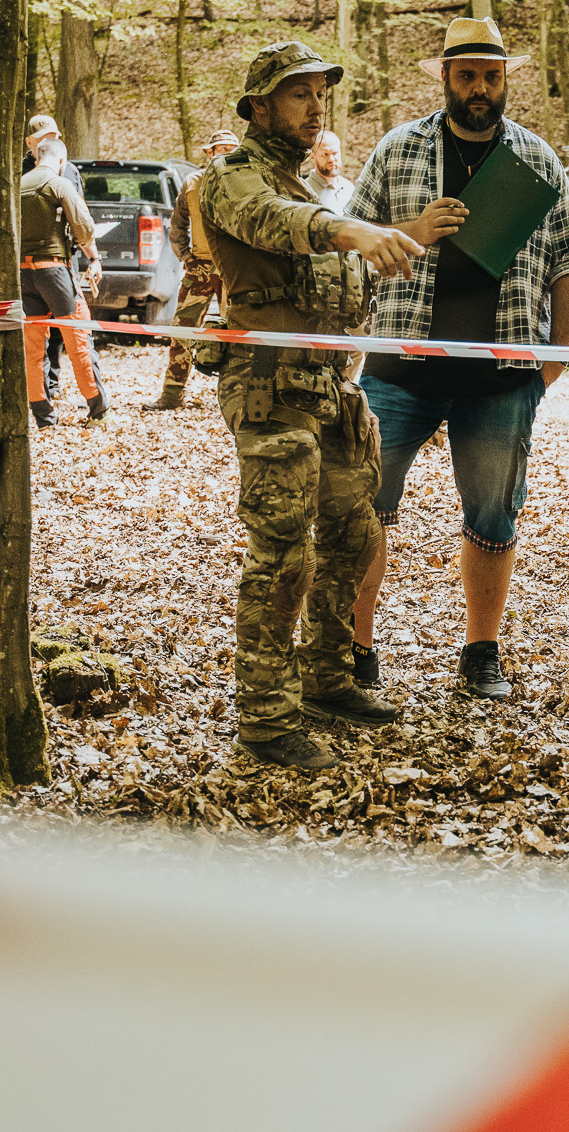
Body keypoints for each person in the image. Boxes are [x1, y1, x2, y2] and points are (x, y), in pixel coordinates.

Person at [348, 17, 569, 701]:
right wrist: (411, 233)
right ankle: (356, 650)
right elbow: (347, 241)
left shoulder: (537, 160)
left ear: (505, 78)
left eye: (491, 75)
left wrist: (555, 360)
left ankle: (481, 651)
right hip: (398, 368)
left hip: (500, 379)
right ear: (446, 79)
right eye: (467, 75)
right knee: (363, 506)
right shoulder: (398, 151)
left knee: (494, 517)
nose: (479, 88)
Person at [204, 40, 424, 771]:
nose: (315, 105)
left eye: (319, 93)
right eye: (299, 93)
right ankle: (264, 719)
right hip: (270, 390)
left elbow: (339, 283)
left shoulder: (307, 188)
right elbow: (271, 226)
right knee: (281, 554)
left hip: (329, 387)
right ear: (260, 105)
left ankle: (327, 681)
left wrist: (387, 243)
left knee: (353, 534)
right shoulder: (233, 179)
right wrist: (348, 229)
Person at [141, 127, 239, 412]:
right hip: (200, 267)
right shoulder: (192, 182)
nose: (226, 155)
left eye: (232, 150)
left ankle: (238, 396)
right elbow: (178, 224)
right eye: (220, 150)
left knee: (239, 332)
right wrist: (186, 256)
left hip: (234, 270)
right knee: (182, 330)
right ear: (209, 153)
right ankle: (172, 395)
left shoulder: (247, 184)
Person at [19, 137, 109, 428]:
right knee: (78, 337)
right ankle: (98, 409)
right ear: (61, 160)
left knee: (32, 345)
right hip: (54, 271)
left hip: (23, 274)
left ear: (36, 158)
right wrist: (94, 258)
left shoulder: (17, 185)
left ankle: (43, 416)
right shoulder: (59, 184)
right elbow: (84, 228)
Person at [23, 114, 85, 404]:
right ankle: (43, 389)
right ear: (30, 142)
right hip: (29, 261)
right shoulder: (22, 170)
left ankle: (54, 381)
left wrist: (83, 254)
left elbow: (78, 211)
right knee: (35, 330)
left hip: (62, 259)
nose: (51, 140)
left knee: (64, 327)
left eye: (55, 136)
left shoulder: (68, 169)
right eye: (45, 136)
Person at [305, 129, 354, 215]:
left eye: (335, 153)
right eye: (325, 154)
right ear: (312, 156)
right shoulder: (306, 192)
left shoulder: (348, 187)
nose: (331, 159)